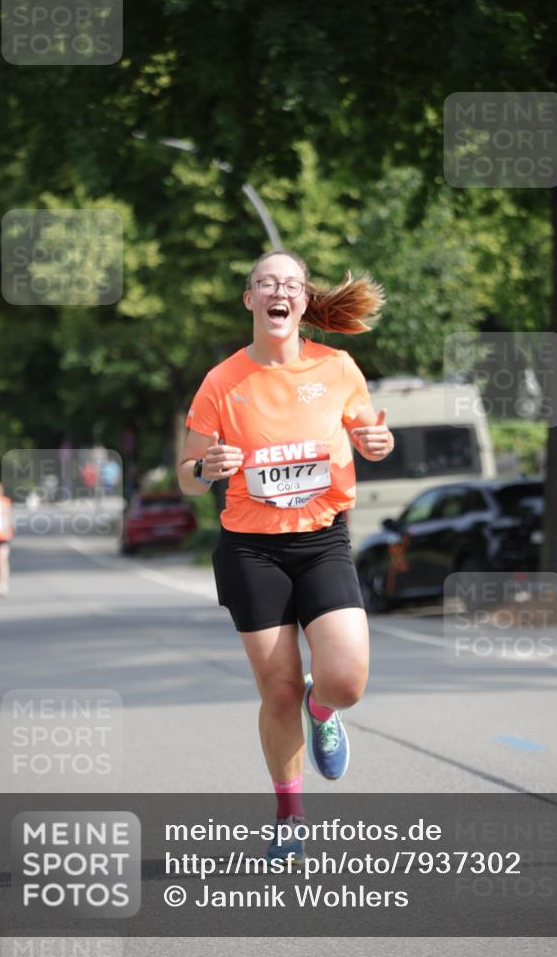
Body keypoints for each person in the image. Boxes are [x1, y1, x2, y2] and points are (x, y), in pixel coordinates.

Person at [178, 249, 393, 862]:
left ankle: (322, 708)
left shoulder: (339, 366)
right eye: (266, 283)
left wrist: (379, 441)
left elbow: (368, 434)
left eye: (291, 284)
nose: (279, 292)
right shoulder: (222, 382)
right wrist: (205, 467)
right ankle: (289, 812)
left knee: (347, 680)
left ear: (303, 301)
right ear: (249, 299)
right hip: (252, 550)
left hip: (322, 539)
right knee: (275, 693)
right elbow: (189, 475)